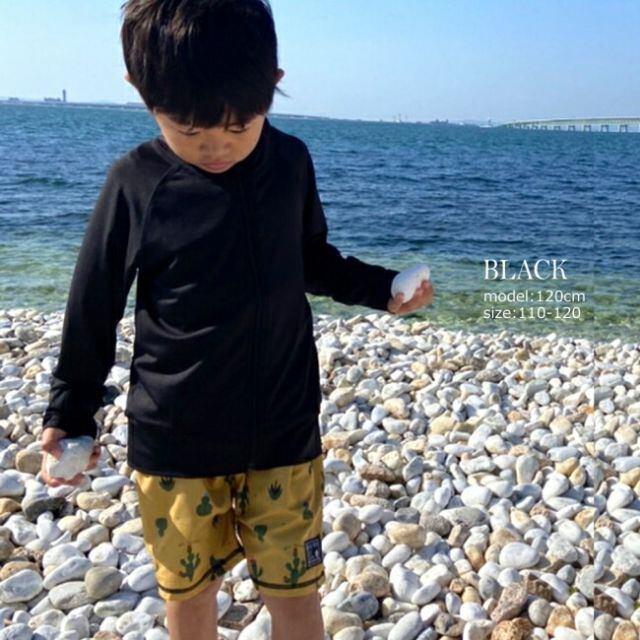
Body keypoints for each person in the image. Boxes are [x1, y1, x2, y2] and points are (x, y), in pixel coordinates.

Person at [39, 1, 435, 638]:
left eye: (238, 125)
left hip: (283, 430)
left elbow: (310, 258)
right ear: (141, 92)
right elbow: (94, 302)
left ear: (272, 85)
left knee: (296, 593)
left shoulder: (289, 163)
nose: (216, 145)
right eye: (189, 129)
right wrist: (70, 411)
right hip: (175, 439)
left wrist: (381, 288)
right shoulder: (136, 183)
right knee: (191, 592)